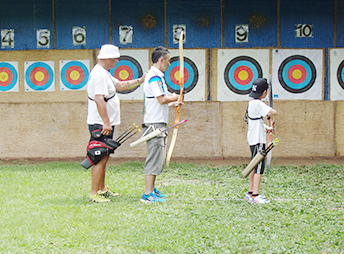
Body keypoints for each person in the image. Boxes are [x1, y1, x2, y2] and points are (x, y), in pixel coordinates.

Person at [87, 44, 146, 203]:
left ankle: (102, 189)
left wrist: (140, 81)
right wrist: (106, 122)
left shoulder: (104, 73)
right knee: (99, 156)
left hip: (105, 123)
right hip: (100, 124)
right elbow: (99, 99)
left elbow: (119, 85)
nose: (117, 61)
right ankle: (94, 194)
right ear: (107, 58)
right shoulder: (99, 74)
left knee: (104, 156)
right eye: (115, 58)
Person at [140, 46, 181, 203]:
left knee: (158, 156)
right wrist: (174, 97)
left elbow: (158, 102)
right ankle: (147, 194)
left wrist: (174, 103)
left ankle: (152, 189)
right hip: (154, 123)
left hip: (157, 121)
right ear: (162, 60)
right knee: (154, 156)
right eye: (169, 60)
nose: (170, 64)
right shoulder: (154, 77)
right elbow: (162, 99)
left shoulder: (157, 76)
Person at [245, 78, 277, 204]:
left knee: (254, 165)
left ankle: (250, 193)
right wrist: (269, 112)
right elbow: (274, 112)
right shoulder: (258, 103)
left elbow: (256, 121)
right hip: (257, 140)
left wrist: (267, 126)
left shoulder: (252, 103)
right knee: (259, 167)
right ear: (264, 92)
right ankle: (255, 195)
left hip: (254, 137)